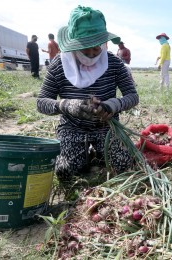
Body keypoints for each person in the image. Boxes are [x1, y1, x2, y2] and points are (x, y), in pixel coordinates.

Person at [36, 6, 139, 186]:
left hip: (106, 129)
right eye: (85, 50)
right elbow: (41, 102)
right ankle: (86, 155)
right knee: (66, 171)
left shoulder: (113, 63)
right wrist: (66, 105)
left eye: (96, 49)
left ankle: (99, 154)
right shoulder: (59, 66)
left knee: (124, 165)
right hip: (72, 129)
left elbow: (132, 96)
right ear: (74, 44)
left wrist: (112, 105)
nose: (92, 55)